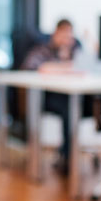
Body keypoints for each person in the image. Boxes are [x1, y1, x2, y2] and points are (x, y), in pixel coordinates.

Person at [21, 19, 81, 171]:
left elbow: (84, 67)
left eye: (69, 35)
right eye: (63, 34)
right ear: (56, 33)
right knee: (69, 110)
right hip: (48, 97)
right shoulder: (43, 48)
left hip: (73, 96)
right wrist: (63, 65)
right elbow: (33, 66)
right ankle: (67, 157)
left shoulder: (76, 49)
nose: (67, 39)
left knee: (79, 107)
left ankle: (68, 154)